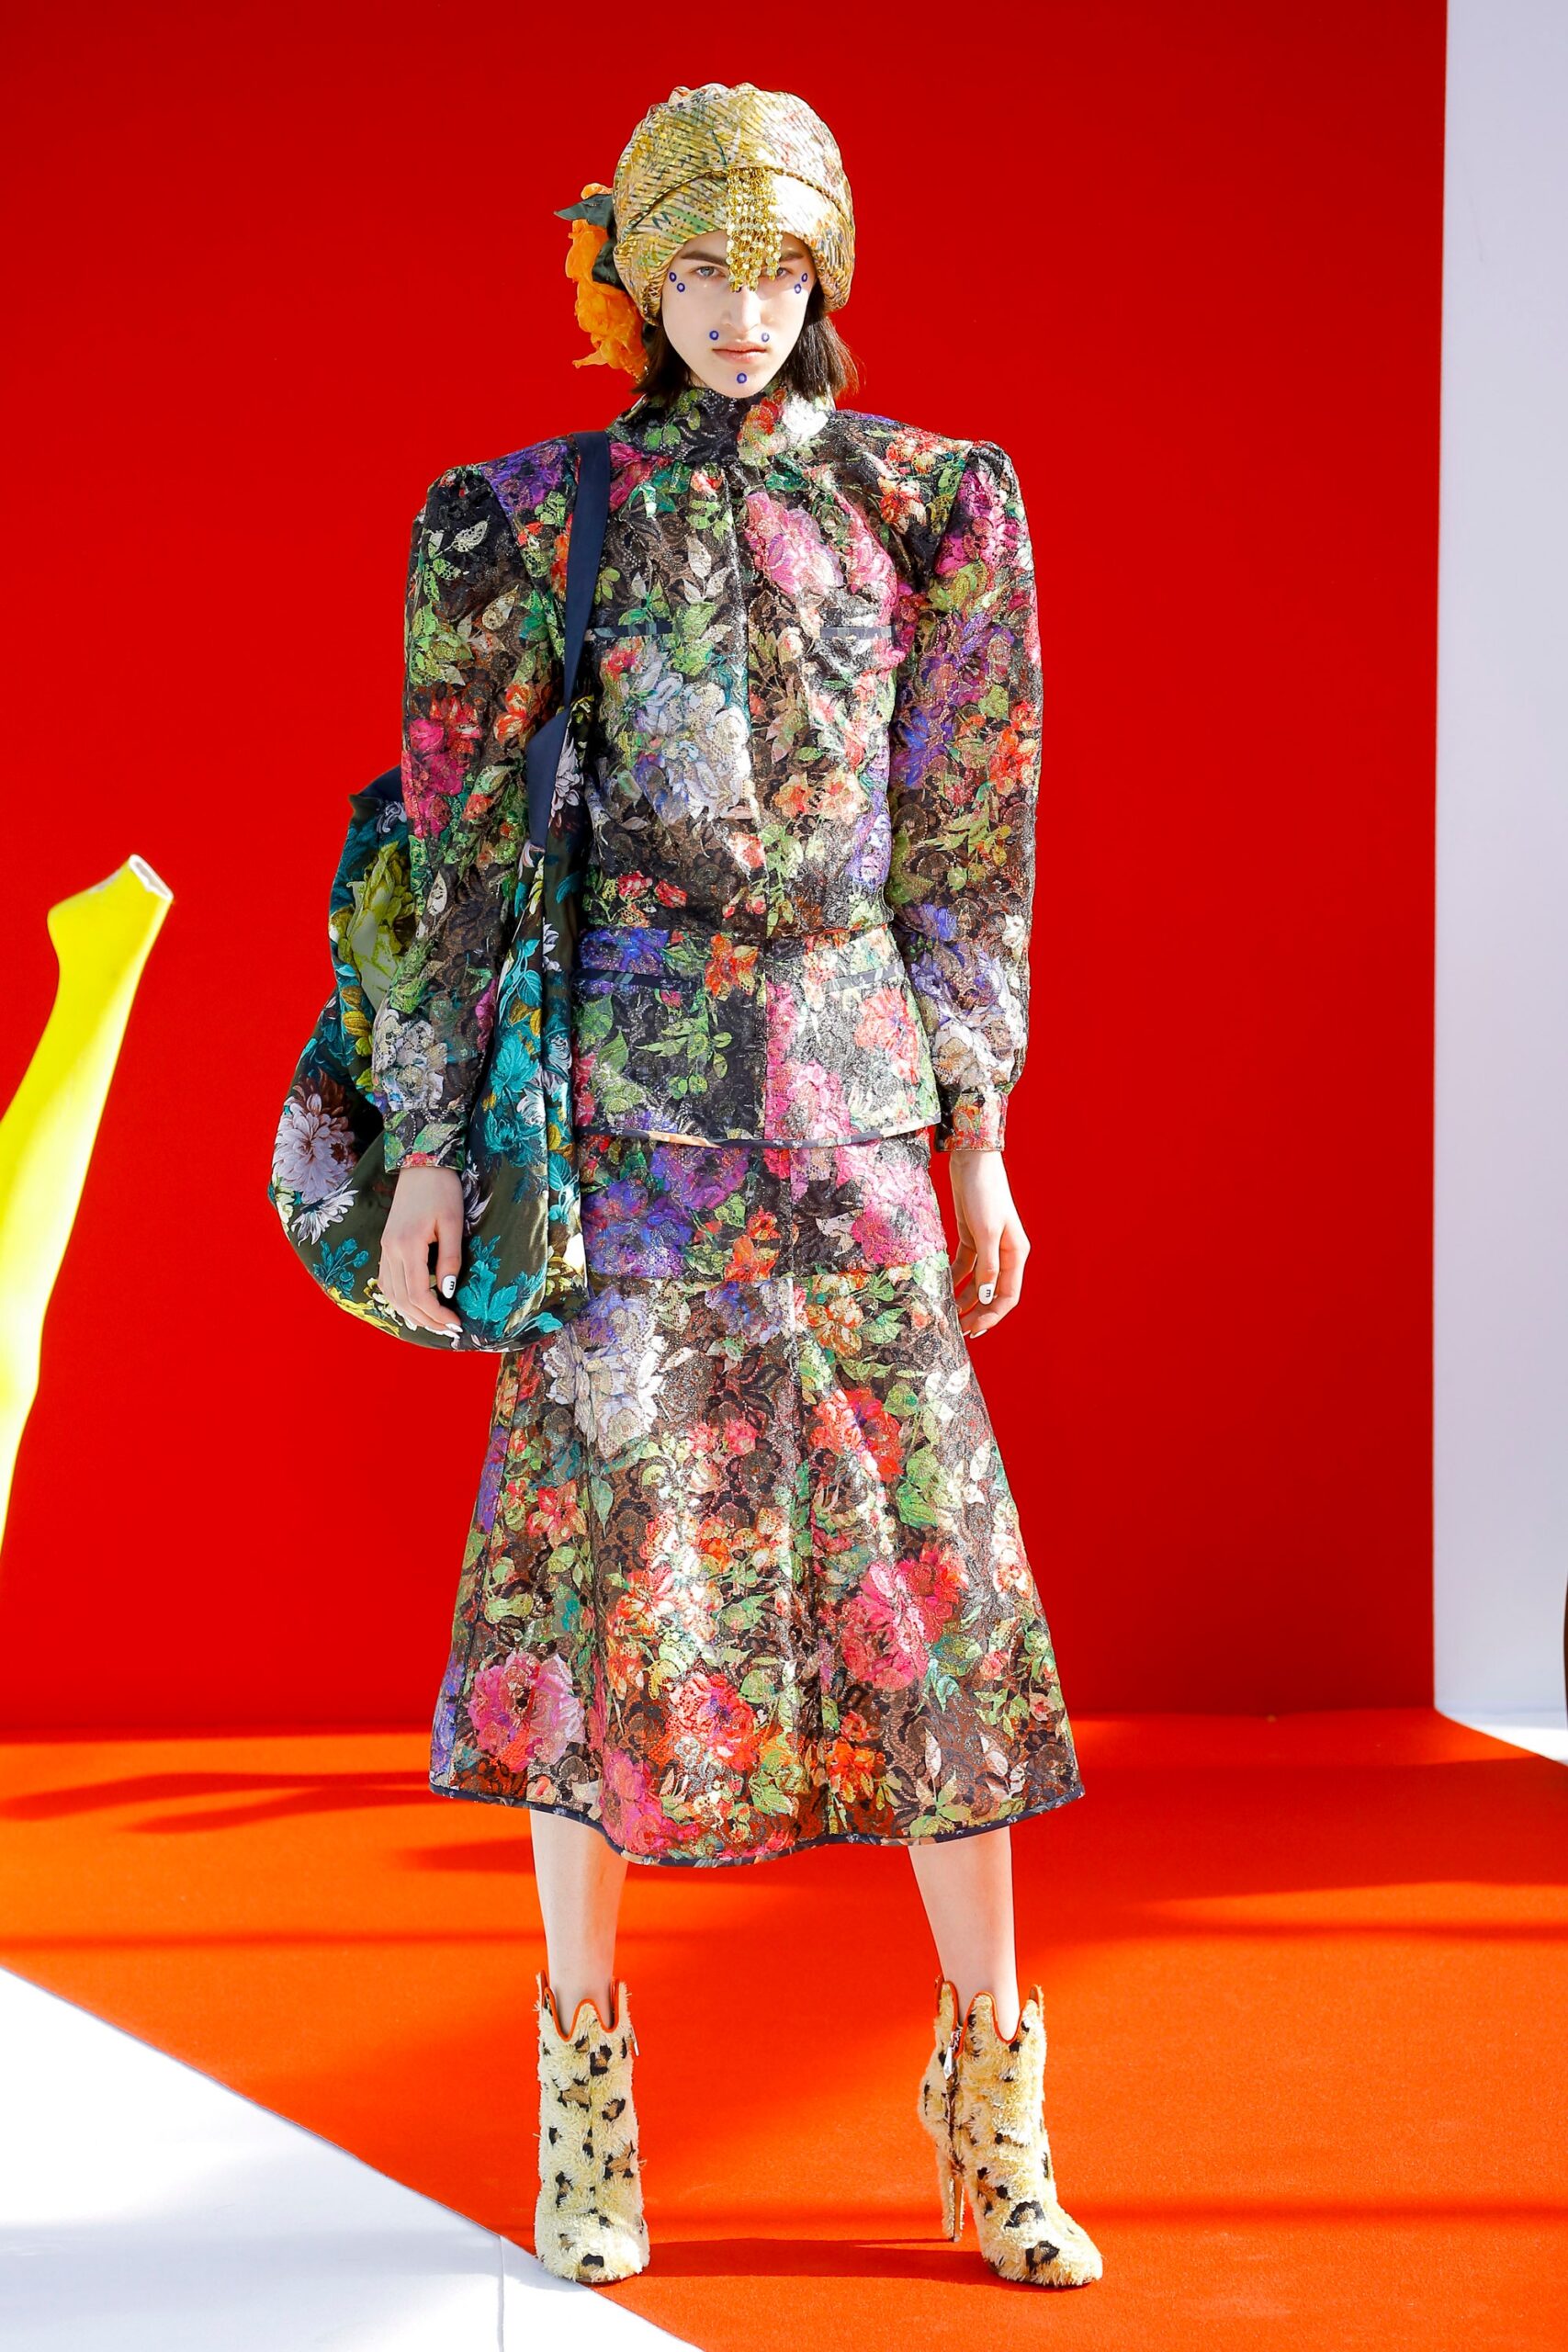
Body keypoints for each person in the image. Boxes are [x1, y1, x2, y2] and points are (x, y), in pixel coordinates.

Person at [368, 81, 1101, 2294]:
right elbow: (455, 849)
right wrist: (426, 1140)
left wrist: (975, 1118)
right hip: (622, 1134)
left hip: (860, 1112)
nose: (738, 310)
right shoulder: (524, 518)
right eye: (694, 266)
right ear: (628, 274)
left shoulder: (931, 507)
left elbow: (969, 837)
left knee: (938, 1597)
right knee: (606, 1601)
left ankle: (993, 2101)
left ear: (831, 275)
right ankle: (582, 2093)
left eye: (778, 268)